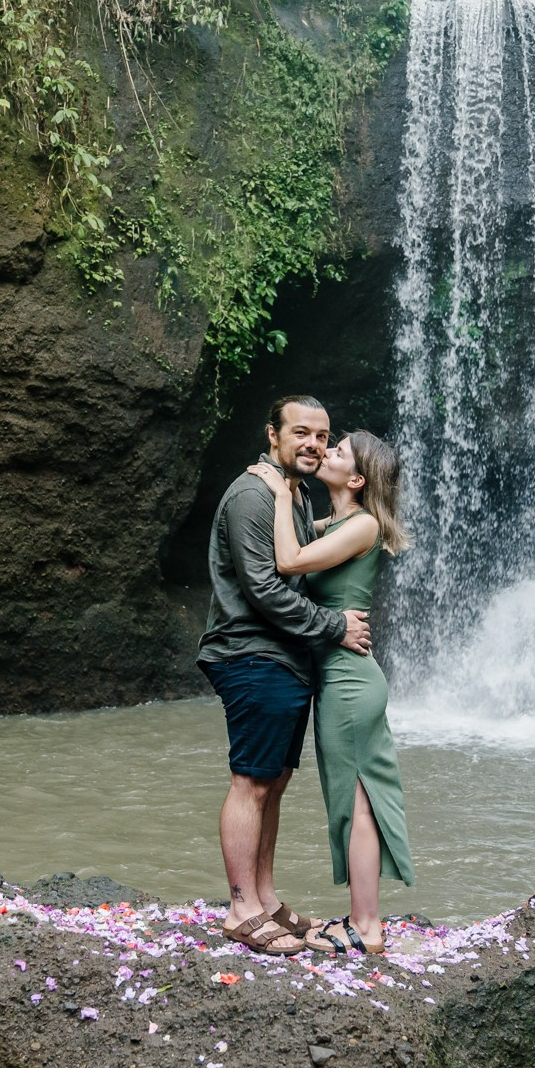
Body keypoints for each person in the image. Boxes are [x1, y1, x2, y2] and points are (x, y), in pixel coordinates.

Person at [200, 396, 373, 956]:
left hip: (283, 658)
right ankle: (240, 908)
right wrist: (334, 625)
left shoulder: (291, 493)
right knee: (250, 781)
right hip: (252, 653)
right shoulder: (255, 494)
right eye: (301, 432)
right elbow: (265, 589)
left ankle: (266, 899)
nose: (314, 445)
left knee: (274, 780)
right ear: (272, 434)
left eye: (323, 437)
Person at [245, 428, 412, 956]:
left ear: (358, 478)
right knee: (350, 800)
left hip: (350, 681)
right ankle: (363, 919)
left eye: (338, 450)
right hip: (339, 678)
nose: (327, 451)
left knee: (358, 802)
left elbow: (290, 561)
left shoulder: (362, 525)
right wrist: (288, 491)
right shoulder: (338, 521)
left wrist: (275, 491)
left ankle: (365, 927)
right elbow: (292, 536)